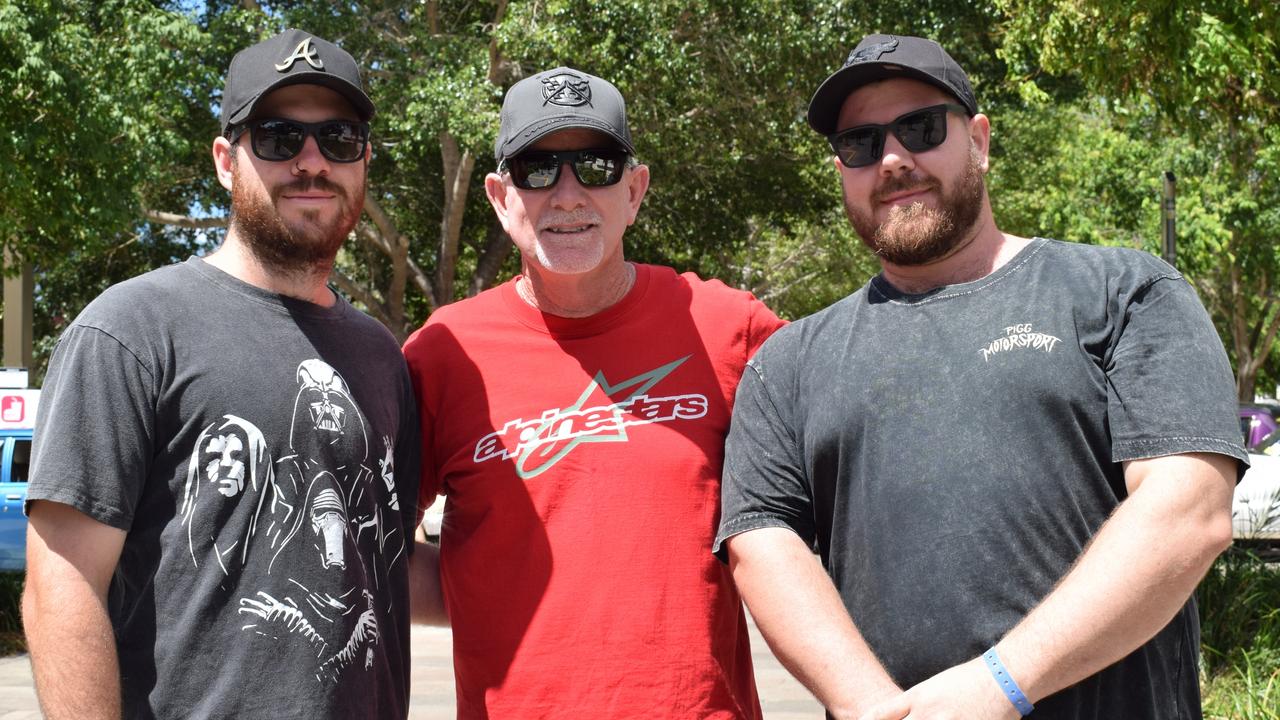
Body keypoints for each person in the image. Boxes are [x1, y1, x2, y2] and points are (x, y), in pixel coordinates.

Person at [715, 34, 1245, 720]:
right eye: (861, 144)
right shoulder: (788, 365)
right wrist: (875, 708)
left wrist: (1000, 685)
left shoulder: (1125, 292)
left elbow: (1190, 512)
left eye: (921, 128)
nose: (895, 160)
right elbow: (763, 542)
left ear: (981, 140)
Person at [22, 29, 435, 719]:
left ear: (363, 160)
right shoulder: (130, 330)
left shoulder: (379, 355)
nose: (312, 162)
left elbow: (394, 561)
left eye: (338, 139)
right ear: (225, 159)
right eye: (277, 138)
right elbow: (62, 586)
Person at [402, 66, 784, 718]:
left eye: (597, 166)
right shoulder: (444, 355)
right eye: (537, 169)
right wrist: (492, 583)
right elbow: (368, 553)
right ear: (499, 196)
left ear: (635, 191)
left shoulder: (729, 328)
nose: (568, 195)